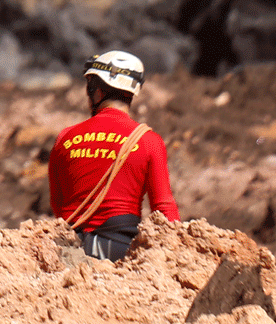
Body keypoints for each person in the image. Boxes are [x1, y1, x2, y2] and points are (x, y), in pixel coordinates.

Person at [48, 50, 179, 260]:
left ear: (98, 93)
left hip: (67, 250)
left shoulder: (65, 138)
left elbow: (58, 203)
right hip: (121, 249)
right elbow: (163, 207)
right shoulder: (149, 141)